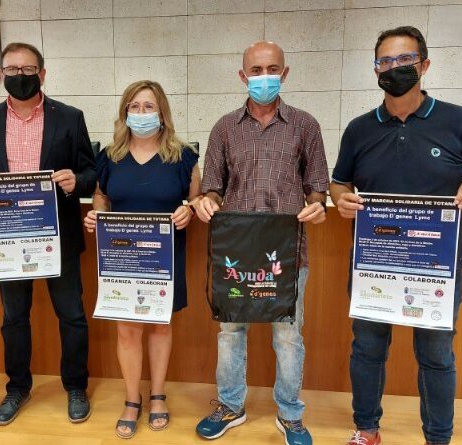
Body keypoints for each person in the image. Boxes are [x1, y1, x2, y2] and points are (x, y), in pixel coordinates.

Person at [330, 26, 462, 445]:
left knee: (435, 354)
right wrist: (341, 199)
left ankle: (438, 438)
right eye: (385, 61)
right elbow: (339, 183)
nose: (394, 68)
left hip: (436, 264)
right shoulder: (359, 129)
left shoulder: (457, 120)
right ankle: (367, 429)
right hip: (376, 259)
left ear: (424, 65)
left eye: (405, 59)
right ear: (376, 69)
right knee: (368, 348)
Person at [0, 42, 96, 425]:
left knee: (72, 315)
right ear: (1, 74)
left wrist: (76, 181)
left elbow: (91, 172)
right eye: (13, 70)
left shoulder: (70, 118)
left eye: (28, 69)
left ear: (42, 74)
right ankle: (17, 388)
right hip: (7, 238)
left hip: (58, 235)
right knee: (14, 318)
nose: (21, 76)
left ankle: (76, 386)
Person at [194, 41, 329, 445]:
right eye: (256, 70)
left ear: (284, 74)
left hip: (286, 253)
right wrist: (206, 201)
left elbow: (317, 187)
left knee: (288, 335)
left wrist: (317, 205)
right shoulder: (224, 128)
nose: (264, 76)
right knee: (230, 331)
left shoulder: (305, 125)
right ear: (243, 76)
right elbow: (213, 187)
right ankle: (230, 405)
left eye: (272, 69)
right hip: (236, 253)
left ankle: (290, 414)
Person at [83, 80, 201, 439]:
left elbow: (196, 200)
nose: (141, 113)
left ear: (162, 112)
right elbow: (101, 196)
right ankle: (132, 399)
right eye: (134, 107)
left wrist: (189, 211)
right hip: (122, 256)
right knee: (127, 329)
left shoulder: (183, 156)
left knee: (161, 326)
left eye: (148, 106)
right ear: (125, 113)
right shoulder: (110, 155)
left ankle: (158, 395)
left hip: (164, 256)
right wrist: (97, 214)